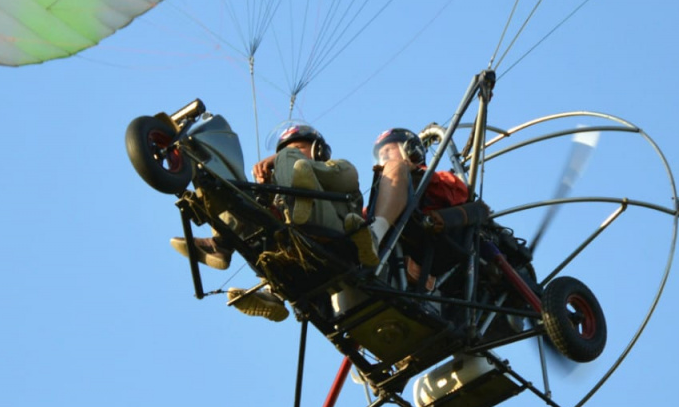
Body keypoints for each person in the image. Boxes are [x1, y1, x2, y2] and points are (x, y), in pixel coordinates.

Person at [171, 124, 366, 321]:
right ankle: (224, 246)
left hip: (333, 240)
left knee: (289, 171)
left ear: (319, 150)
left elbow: (341, 177)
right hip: (294, 253)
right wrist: (264, 191)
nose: (290, 154)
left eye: (298, 148)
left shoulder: (342, 168)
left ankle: (273, 288)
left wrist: (283, 158)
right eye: (287, 151)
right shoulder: (278, 194)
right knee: (238, 197)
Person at [365, 128, 472, 289]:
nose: (384, 156)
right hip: (386, 233)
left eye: (388, 149)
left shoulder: (439, 178)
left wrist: (415, 172)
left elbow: (460, 194)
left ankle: (374, 235)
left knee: (395, 167)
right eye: (380, 154)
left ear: (410, 149)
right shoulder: (380, 198)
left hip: (422, 233)